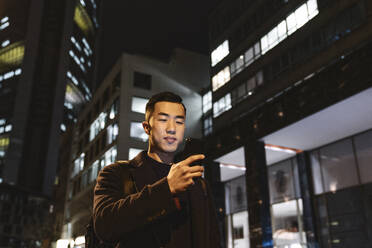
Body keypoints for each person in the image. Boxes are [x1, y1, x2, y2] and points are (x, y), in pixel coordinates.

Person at [93, 92, 221, 248]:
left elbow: (212, 239)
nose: (172, 128)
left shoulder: (198, 184)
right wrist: (167, 188)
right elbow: (104, 226)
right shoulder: (117, 173)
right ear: (147, 127)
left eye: (179, 121)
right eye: (163, 120)